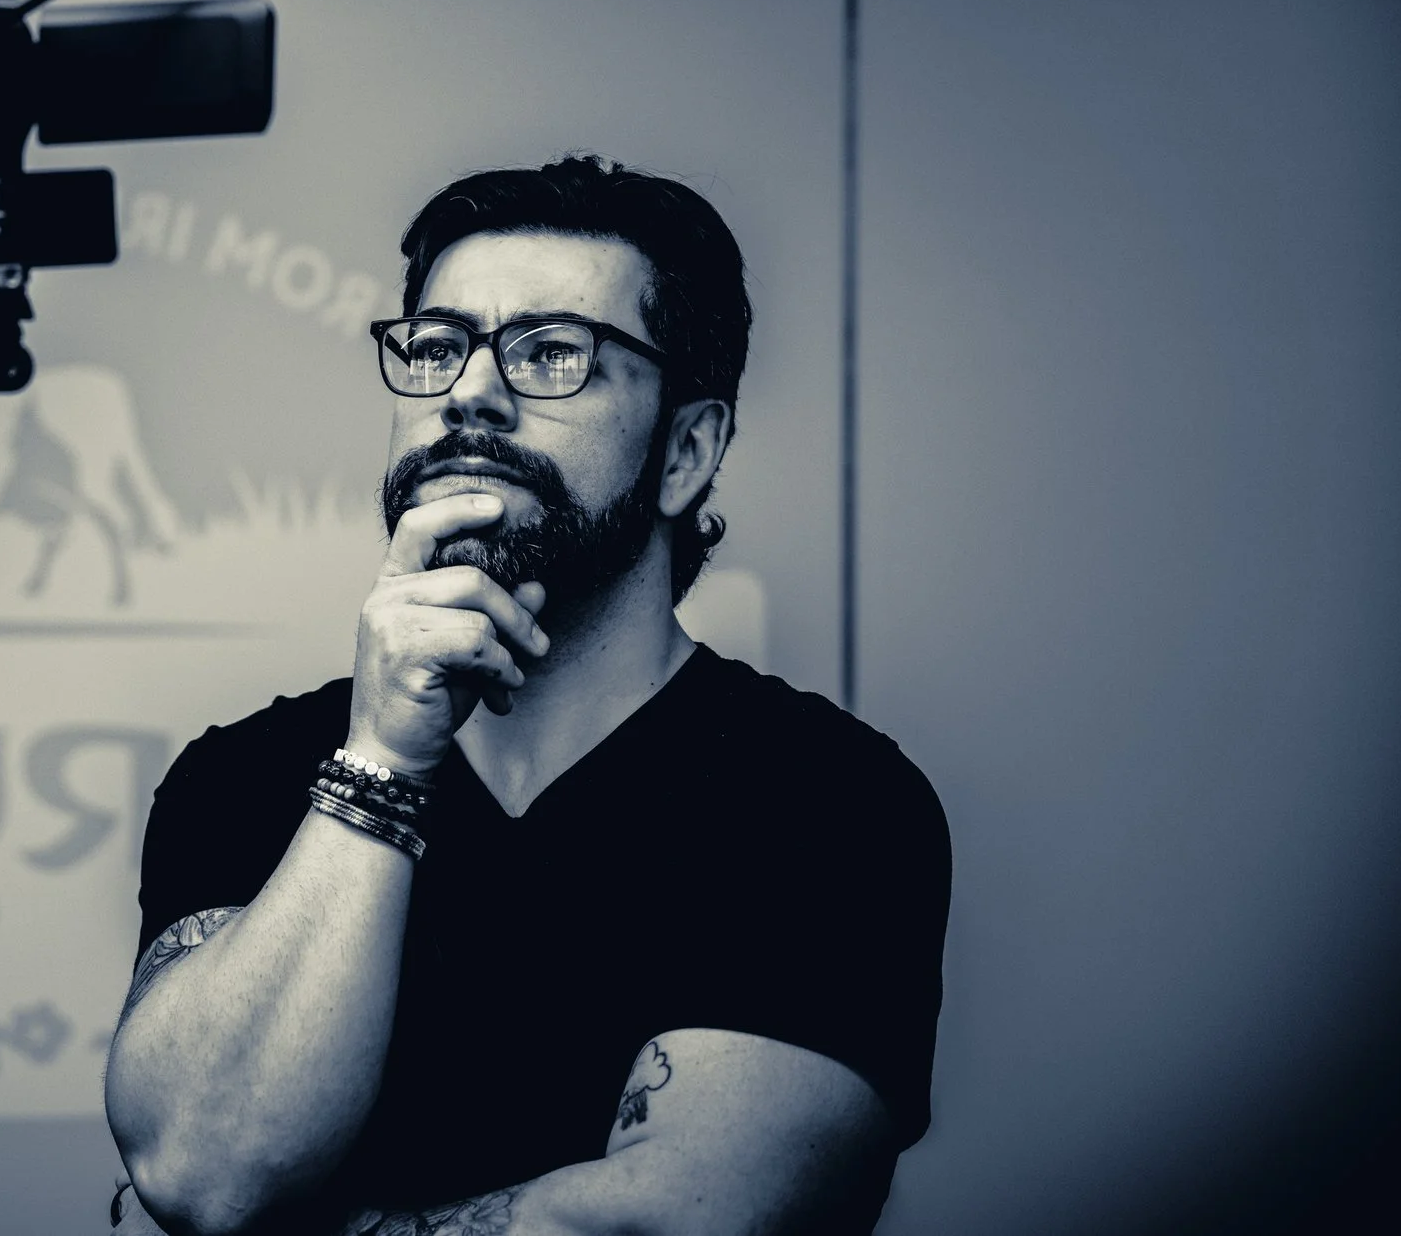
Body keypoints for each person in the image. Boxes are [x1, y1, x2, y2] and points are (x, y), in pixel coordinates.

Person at [102, 157, 951, 1236]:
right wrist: (380, 762)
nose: (469, 392)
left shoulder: (825, 799)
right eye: (438, 346)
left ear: (686, 450)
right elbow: (203, 1170)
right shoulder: (246, 774)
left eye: (553, 353)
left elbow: (676, 1220)